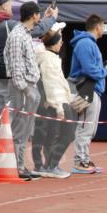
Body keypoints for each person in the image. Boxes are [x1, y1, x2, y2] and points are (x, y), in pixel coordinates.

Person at [0, 0, 57, 150]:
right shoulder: (9, 25)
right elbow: (34, 30)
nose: (11, 7)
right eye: (9, 4)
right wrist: (51, 19)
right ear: (3, 6)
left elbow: (30, 26)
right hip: (10, 80)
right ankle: (8, 156)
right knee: (15, 121)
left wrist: (40, 18)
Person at [3, 1, 46, 179]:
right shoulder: (17, 35)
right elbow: (16, 66)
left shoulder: (25, 34)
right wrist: (25, 89)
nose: (40, 17)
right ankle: (17, 166)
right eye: (39, 14)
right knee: (20, 128)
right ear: (34, 15)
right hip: (22, 87)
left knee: (25, 129)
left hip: (28, 86)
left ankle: (20, 165)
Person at [68, 15, 107, 172]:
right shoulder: (85, 43)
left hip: (92, 90)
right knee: (85, 127)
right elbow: (89, 70)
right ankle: (79, 162)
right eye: (103, 26)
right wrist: (105, 70)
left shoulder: (88, 43)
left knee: (89, 129)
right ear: (98, 27)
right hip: (86, 89)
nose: (104, 30)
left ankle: (84, 159)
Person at [33, 24, 73, 178]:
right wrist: (59, 108)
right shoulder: (48, 59)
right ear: (54, 42)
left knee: (47, 135)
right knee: (63, 134)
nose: (62, 42)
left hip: (52, 102)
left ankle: (45, 165)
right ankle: (50, 165)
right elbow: (51, 85)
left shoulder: (49, 57)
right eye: (60, 39)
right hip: (53, 103)